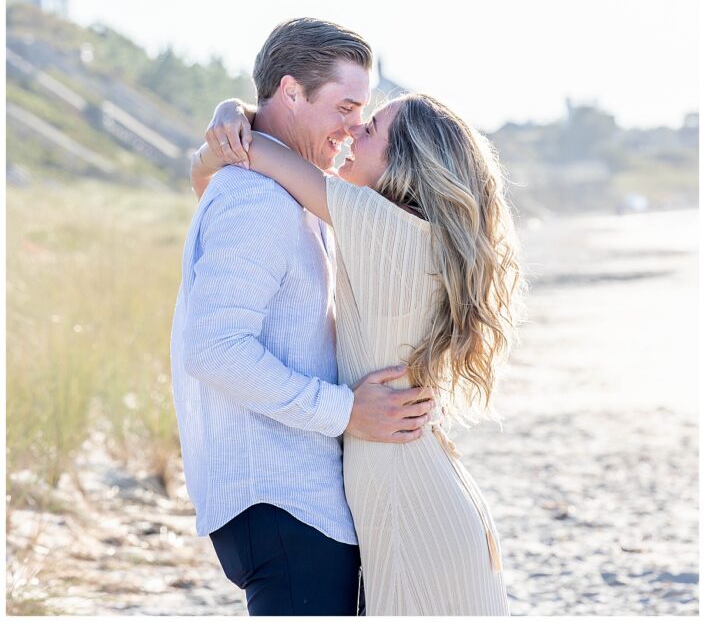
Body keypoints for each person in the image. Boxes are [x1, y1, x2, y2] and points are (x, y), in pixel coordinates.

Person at [197, 88, 524, 615]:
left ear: (402, 161)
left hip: (408, 499)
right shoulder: (420, 235)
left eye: (369, 130)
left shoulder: (378, 224)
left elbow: (257, 149)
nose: (352, 133)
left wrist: (230, 111)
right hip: (424, 487)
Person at [170, 18, 436, 618]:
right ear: (290, 92)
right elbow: (214, 349)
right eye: (345, 106)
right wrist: (346, 411)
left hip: (294, 498)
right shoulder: (260, 197)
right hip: (284, 499)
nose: (351, 126)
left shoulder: (284, 186)